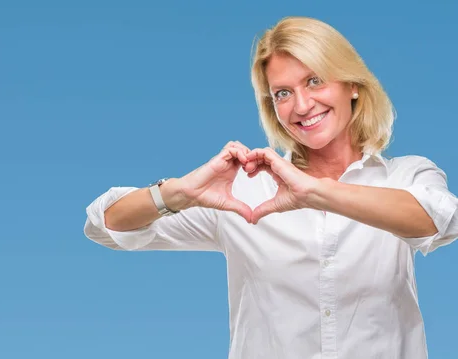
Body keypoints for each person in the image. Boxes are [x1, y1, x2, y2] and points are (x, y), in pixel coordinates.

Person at [83, 16, 458, 359]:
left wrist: (318, 192)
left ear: (353, 85)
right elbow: (107, 225)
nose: (301, 105)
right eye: (282, 93)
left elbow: (439, 220)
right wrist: (175, 193)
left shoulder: (405, 176)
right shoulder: (242, 192)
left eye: (315, 80)